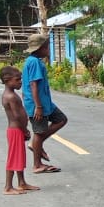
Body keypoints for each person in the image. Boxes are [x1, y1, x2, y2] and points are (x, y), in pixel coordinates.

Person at [21, 33, 67, 173]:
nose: (48, 50)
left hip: (46, 103)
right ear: (40, 48)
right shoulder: (33, 62)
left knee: (61, 119)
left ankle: (35, 144)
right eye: (47, 47)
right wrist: (38, 107)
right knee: (39, 133)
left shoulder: (35, 61)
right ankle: (37, 164)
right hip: (37, 105)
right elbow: (34, 84)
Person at [0, 66, 39, 196]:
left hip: (16, 130)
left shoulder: (11, 94)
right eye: (17, 80)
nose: (20, 82)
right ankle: (8, 187)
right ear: (7, 80)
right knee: (13, 157)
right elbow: (17, 116)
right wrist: (25, 129)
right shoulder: (11, 96)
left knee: (19, 156)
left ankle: (22, 182)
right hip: (16, 129)